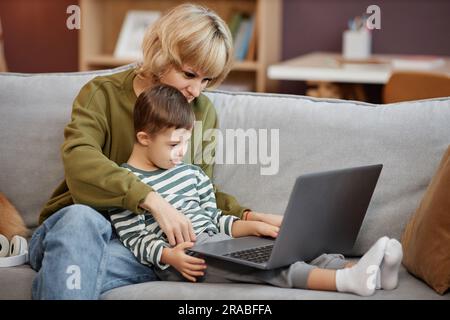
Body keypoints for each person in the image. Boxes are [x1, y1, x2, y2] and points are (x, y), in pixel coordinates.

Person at [28, 4, 280, 300]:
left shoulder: (201, 111)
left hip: (139, 248)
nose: (196, 91)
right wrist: (152, 200)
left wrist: (248, 215)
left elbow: (198, 186)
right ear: (161, 54)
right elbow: (79, 159)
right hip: (83, 228)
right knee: (80, 221)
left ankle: (63, 271)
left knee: (78, 272)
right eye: (189, 74)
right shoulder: (102, 94)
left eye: (206, 80)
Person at [111, 84, 404, 297]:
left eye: (186, 143)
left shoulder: (191, 174)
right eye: (174, 145)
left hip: (219, 242)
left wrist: (251, 226)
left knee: (280, 250)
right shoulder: (124, 183)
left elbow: (215, 218)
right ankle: (345, 281)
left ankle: (372, 272)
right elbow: (134, 238)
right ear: (144, 138)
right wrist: (168, 256)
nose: (181, 153)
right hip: (186, 260)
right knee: (264, 269)